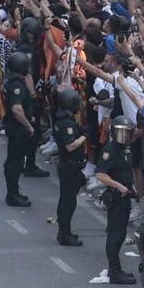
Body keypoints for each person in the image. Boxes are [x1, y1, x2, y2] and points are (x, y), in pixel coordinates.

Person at [96, 118, 140, 285]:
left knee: (120, 234)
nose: (125, 136)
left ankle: (117, 269)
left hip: (125, 196)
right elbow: (100, 174)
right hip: (115, 197)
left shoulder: (127, 149)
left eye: (127, 132)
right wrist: (119, 186)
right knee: (115, 234)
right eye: (122, 132)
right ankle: (114, 271)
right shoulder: (110, 149)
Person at [51, 88, 88, 248]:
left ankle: (64, 231)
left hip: (69, 165)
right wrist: (85, 136)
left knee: (67, 199)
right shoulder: (66, 123)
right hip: (69, 165)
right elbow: (70, 146)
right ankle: (64, 233)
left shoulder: (63, 118)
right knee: (68, 201)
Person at [0, 51, 37, 207]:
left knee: (14, 161)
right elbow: (17, 109)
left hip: (15, 127)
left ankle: (14, 192)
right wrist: (28, 125)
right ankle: (12, 194)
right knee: (15, 162)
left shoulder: (12, 81)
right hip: (18, 129)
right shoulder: (16, 85)